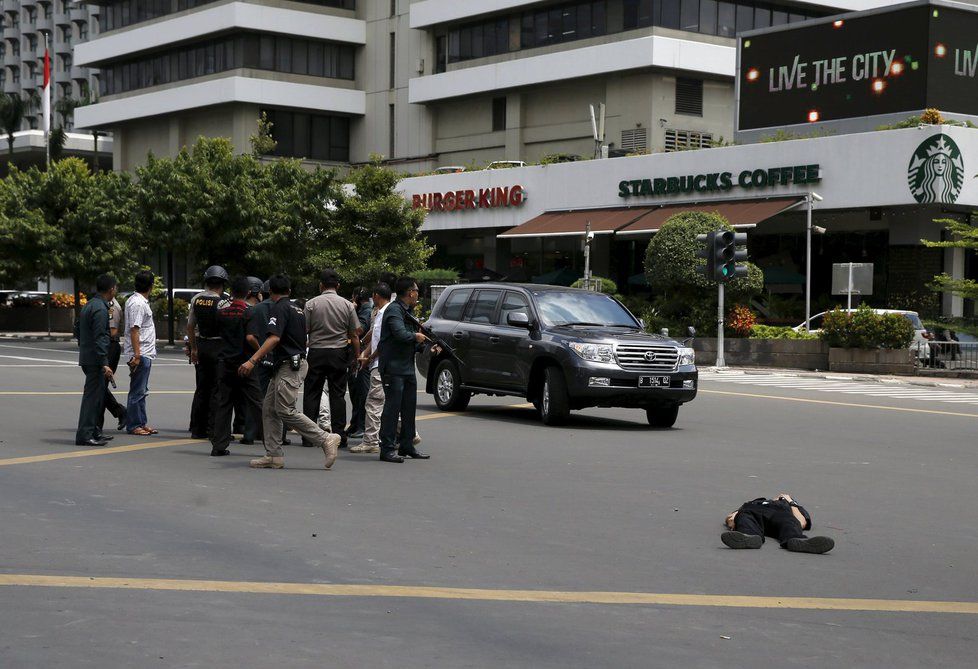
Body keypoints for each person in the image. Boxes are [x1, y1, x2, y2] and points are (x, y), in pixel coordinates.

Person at [239, 274, 341, 470]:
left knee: (285, 410)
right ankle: (274, 455)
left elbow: (274, 338)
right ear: (289, 291)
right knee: (269, 409)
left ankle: (325, 438)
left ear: (269, 292)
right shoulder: (297, 309)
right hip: (287, 365)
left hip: (289, 366)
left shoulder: (279, 307)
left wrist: (253, 360)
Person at [377, 277, 437, 463]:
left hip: (406, 367)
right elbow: (400, 334)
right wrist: (417, 337)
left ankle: (407, 445)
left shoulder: (408, 311)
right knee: (392, 408)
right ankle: (386, 448)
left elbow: (411, 342)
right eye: (417, 290)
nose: (418, 293)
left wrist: (427, 347)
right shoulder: (394, 310)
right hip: (393, 367)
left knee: (409, 408)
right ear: (410, 292)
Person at [302, 269, 360, 448]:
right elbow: (355, 334)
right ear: (338, 286)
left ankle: (309, 436)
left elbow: (305, 330)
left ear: (321, 285)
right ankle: (339, 435)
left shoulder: (311, 304)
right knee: (338, 395)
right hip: (338, 353)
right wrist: (357, 356)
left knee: (312, 393)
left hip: (316, 352)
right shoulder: (347, 305)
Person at [209, 277, 264, 457]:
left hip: (225, 363)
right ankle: (270, 443)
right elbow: (250, 338)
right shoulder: (249, 312)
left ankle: (218, 445)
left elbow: (216, 334)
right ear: (248, 292)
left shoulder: (221, 312)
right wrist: (261, 351)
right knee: (257, 404)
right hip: (245, 363)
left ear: (231, 292)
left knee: (224, 404)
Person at [75, 274, 118, 447]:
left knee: (98, 397)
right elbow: (101, 337)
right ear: (111, 289)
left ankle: (93, 431)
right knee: (92, 399)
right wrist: (104, 362)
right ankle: (85, 435)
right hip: (95, 360)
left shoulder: (90, 305)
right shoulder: (100, 309)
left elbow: (78, 328)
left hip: (88, 357)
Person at [187, 265, 230, 439]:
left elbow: (190, 327)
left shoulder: (196, 299)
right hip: (218, 347)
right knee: (216, 389)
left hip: (202, 346)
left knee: (201, 388)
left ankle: (197, 429)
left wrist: (194, 348)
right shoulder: (223, 302)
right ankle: (213, 429)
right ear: (222, 284)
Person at [349, 283, 391, 455]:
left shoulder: (384, 313)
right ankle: (409, 433)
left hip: (381, 364)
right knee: (389, 401)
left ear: (376, 296)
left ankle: (371, 441)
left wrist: (370, 358)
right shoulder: (386, 312)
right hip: (384, 363)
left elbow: (382, 341)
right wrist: (364, 355)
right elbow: (373, 336)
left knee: (373, 402)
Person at [721, 494, 835, 554]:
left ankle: (796, 540)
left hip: (779, 515)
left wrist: (791, 502)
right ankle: (749, 537)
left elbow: (802, 521)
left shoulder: (788, 506)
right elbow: (731, 517)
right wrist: (734, 521)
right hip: (753, 513)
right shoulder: (749, 504)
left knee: (789, 521)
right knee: (745, 517)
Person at [123, 270, 158, 436]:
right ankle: (134, 425)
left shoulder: (139, 301)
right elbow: (134, 330)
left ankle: (141, 422)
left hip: (145, 353)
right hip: (141, 353)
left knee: (142, 390)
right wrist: (137, 355)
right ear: (151, 285)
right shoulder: (137, 303)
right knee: (137, 391)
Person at [238, 276, 264, 445]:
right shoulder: (255, 310)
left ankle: (242, 429)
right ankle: (259, 432)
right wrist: (261, 351)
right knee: (256, 398)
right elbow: (251, 337)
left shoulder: (232, 308)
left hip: (233, 357)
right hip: (253, 357)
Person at [345, 287, 373, 439]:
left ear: (356, 297)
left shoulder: (365, 311)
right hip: (356, 355)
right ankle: (355, 423)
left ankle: (361, 425)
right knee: (355, 391)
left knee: (361, 392)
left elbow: (359, 330)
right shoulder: (364, 310)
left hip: (361, 355)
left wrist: (351, 311)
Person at [99, 292, 127, 433]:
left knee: (100, 385)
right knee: (99, 386)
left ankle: (120, 411)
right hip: (105, 345)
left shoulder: (112, 307)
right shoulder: (101, 305)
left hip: (110, 346)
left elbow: (113, 331)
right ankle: (119, 412)